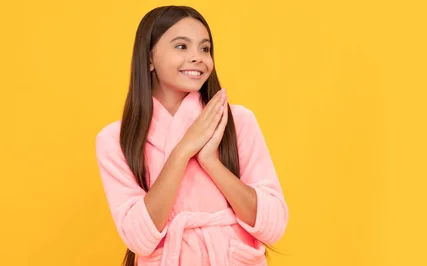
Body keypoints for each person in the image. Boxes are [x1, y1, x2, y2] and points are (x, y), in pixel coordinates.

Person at [94, 5, 288, 266]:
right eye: (182, 46)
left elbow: (272, 224)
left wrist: (211, 161)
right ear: (149, 58)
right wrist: (183, 150)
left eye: (205, 48)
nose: (198, 57)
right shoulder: (115, 140)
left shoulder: (237, 121)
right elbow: (139, 239)